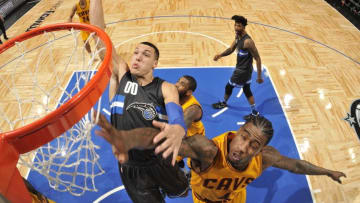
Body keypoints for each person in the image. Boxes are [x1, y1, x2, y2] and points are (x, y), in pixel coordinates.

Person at [95, 114, 346, 203]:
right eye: (244, 137)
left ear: (260, 150)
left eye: (253, 145)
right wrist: (125, 139)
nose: (243, 146)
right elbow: (162, 139)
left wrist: (327, 172)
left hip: (235, 199)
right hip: (204, 200)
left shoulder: (265, 158)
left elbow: (296, 164)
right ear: (237, 132)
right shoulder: (208, 151)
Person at [90, 0, 189, 202]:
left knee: (183, 191)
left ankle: (178, 180)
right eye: (135, 53)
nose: (137, 58)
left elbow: (174, 109)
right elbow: (98, 33)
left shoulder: (165, 87)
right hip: (131, 168)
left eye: (145, 55)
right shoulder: (121, 74)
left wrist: (178, 127)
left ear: (155, 63)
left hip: (160, 160)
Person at [212, 15, 263, 116]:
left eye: (239, 26)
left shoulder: (248, 42)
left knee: (228, 87)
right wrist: (220, 55)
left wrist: (259, 76)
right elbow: (231, 49)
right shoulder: (237, 37)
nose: (236, 28)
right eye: (235, 25)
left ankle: (224, 103)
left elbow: (258, 58)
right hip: (244, 70)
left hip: (242, 71)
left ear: (244, 27)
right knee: (246, 89)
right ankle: (254, 112)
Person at [175, 75, 205, 168]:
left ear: (189, 92)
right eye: (178, 81)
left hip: (194, 140)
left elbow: (180, 132)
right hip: (183, 134)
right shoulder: (175, 95)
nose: (176, 85)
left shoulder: (193, 109)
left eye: (182, 84)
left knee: (195, 165)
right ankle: (179, 164)